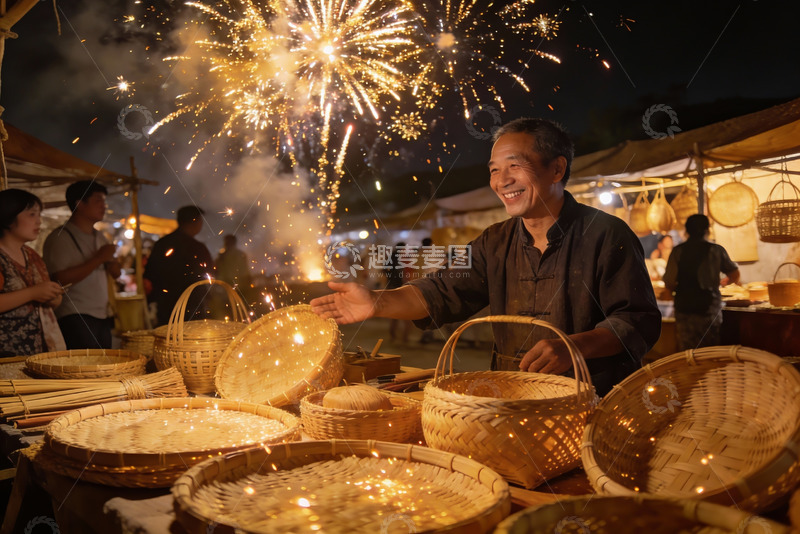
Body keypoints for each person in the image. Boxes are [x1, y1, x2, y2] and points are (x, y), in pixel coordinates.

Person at [311, 118, 661, 396]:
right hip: (512, 398)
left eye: (515, 166)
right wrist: (377, 301)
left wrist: (575, 346)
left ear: (557, 169)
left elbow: (637, 320)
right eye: (494, 170)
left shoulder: (606, 234)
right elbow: (440, 291)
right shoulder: (494, 241)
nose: (501, 181)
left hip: (593, 399)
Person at [43, 181, 120, 349]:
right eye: (98, 201)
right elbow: (59, 279)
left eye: (104, 201)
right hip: (75, 315)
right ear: (79, 204)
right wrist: (99, 258)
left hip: (102, 314)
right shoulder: (60, 237)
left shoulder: (100, 236)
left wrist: (113, 265)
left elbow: (115, 273)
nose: (104, 206)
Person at [0, 189, 66, 356]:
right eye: (32, 214)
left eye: (39, 215)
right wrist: (33, 293)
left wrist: (53, 296)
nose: (39, 221)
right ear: (8, 216)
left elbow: (52, 302)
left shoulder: (32, 256)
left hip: (37, 352)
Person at [663, 214, 739, 350]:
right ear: (707, 230)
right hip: (709, 309)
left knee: (688, 350)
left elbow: (669, 281)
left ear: (687, 231)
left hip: (685, 309)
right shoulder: (716, 250)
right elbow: (734, 274)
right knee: (709, 350)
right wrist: (722, 283)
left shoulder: (677, 251)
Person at [144, 205, 214, 326]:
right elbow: (209, 274)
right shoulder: (197, 248)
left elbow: (150, 273)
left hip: (166, 306)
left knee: (168, 335)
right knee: (192, 335)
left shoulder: (162, 244)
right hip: (192, 305)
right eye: (200, 220)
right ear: (195, 221)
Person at [385, 242, 412, 343]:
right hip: (400, 287)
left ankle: (395, 335)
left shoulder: (392, 257)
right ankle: (403, 337)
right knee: (406, 314)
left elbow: (385, 270)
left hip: (394, 287)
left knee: (394, 313)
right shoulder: (400, 258)